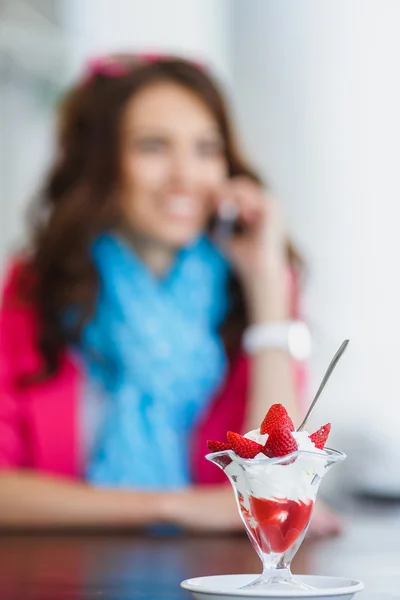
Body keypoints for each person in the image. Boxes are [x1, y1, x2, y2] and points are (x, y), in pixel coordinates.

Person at [0, 54, 340, 535]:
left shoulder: (247, 294)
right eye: (153, 146)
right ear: (101, 162)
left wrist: (267, 287)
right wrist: (175, 507)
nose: (186, 175)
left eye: (206, 149)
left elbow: (276, 485)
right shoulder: (36, 291)